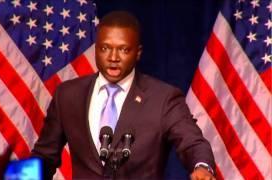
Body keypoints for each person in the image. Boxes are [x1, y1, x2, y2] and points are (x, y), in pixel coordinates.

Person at [32, 11, 216, 179]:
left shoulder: (163, 98)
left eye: (123, 49)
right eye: (105, 48)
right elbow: (44, 157)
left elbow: (192, 143)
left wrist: (202, 167)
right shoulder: (68, 95)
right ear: (96, 49)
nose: (113, 57)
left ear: (138, 53)